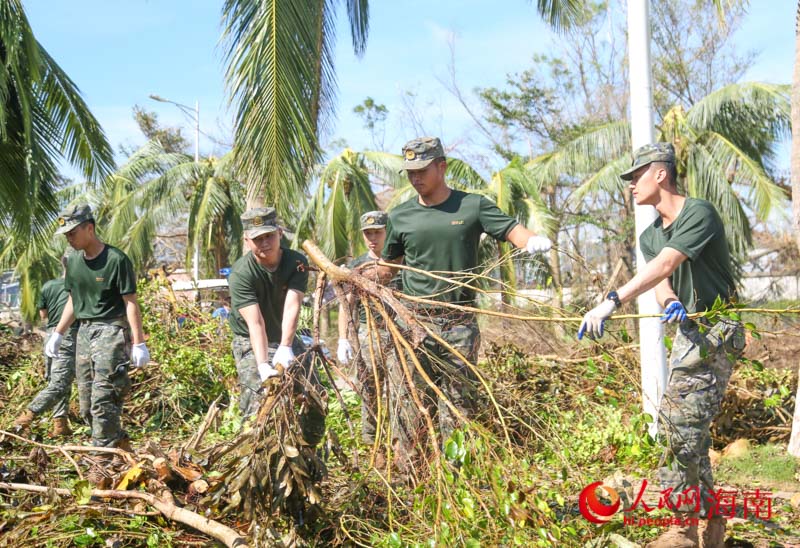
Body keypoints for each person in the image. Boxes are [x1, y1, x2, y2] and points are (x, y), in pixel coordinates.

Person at [576, 143, 745, 548]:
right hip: (688, 332)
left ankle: (682, 526)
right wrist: (670, 303)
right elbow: (662, 283)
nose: (631, 185)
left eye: (636, 176)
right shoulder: (650, 234)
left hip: (716, 330)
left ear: (660, 174)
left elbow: (667, 263)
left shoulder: (698, 213)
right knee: (690, 432)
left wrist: (612, 300)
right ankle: (712, 521)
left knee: (676, 428)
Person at [379, 136, 552, 467]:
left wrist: (532, 242)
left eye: (422, 170)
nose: (415, 178)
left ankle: (457, 479)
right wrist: (358, 278)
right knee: (411, 405)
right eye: (410, 172)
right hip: (415, 324)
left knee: (460, 408)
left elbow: (512, 230)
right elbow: (388, 268)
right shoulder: (400, 216)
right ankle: (412, 479)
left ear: (441, 167)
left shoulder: (472, 206)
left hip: (459, 324)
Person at [45, 204, 150, 457]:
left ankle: (101, 463)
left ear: (89, 228)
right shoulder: (73, 262)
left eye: (72, 232)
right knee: (86, 406)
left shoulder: (116, 260)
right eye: (66, 234)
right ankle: (120, 446)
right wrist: (58, 333)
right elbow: (73, 300)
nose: (69, 238)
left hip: (112, 332)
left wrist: (139, 342)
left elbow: (130, 303)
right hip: (84, 332)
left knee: (104, 399)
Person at [227, 207, 326, 446]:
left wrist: (285, 346)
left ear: (280, 233)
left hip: (285, 335)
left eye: (269, 236)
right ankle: (252, 452)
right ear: (247, 240)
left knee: (314, 391)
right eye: (257, 238)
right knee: (257, 396)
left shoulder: (297, 262)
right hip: (251, 339)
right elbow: (255, 322)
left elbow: (293, 305)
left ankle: (309, 449)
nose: (264, 243)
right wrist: (262, 364)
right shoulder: (241, 273)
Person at [337, 211, 398, 450]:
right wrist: (343, 339)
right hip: (369, 335)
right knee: (370, 393)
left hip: (398, 334)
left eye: (378, 232)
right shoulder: (357, 265)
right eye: (368, 233)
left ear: (387, 232)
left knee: (398, 393)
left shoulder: (399, 260)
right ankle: (374, 446)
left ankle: (398, 444)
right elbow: (346, 304)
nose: (372, 238)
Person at [12, 255, 78, 437]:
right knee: (60, 382)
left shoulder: (49, 286)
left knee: (57, 380)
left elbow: (43, 315)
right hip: (69, 335)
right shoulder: (79, 286)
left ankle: (60, 425)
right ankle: (25, 418)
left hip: (50, 336)